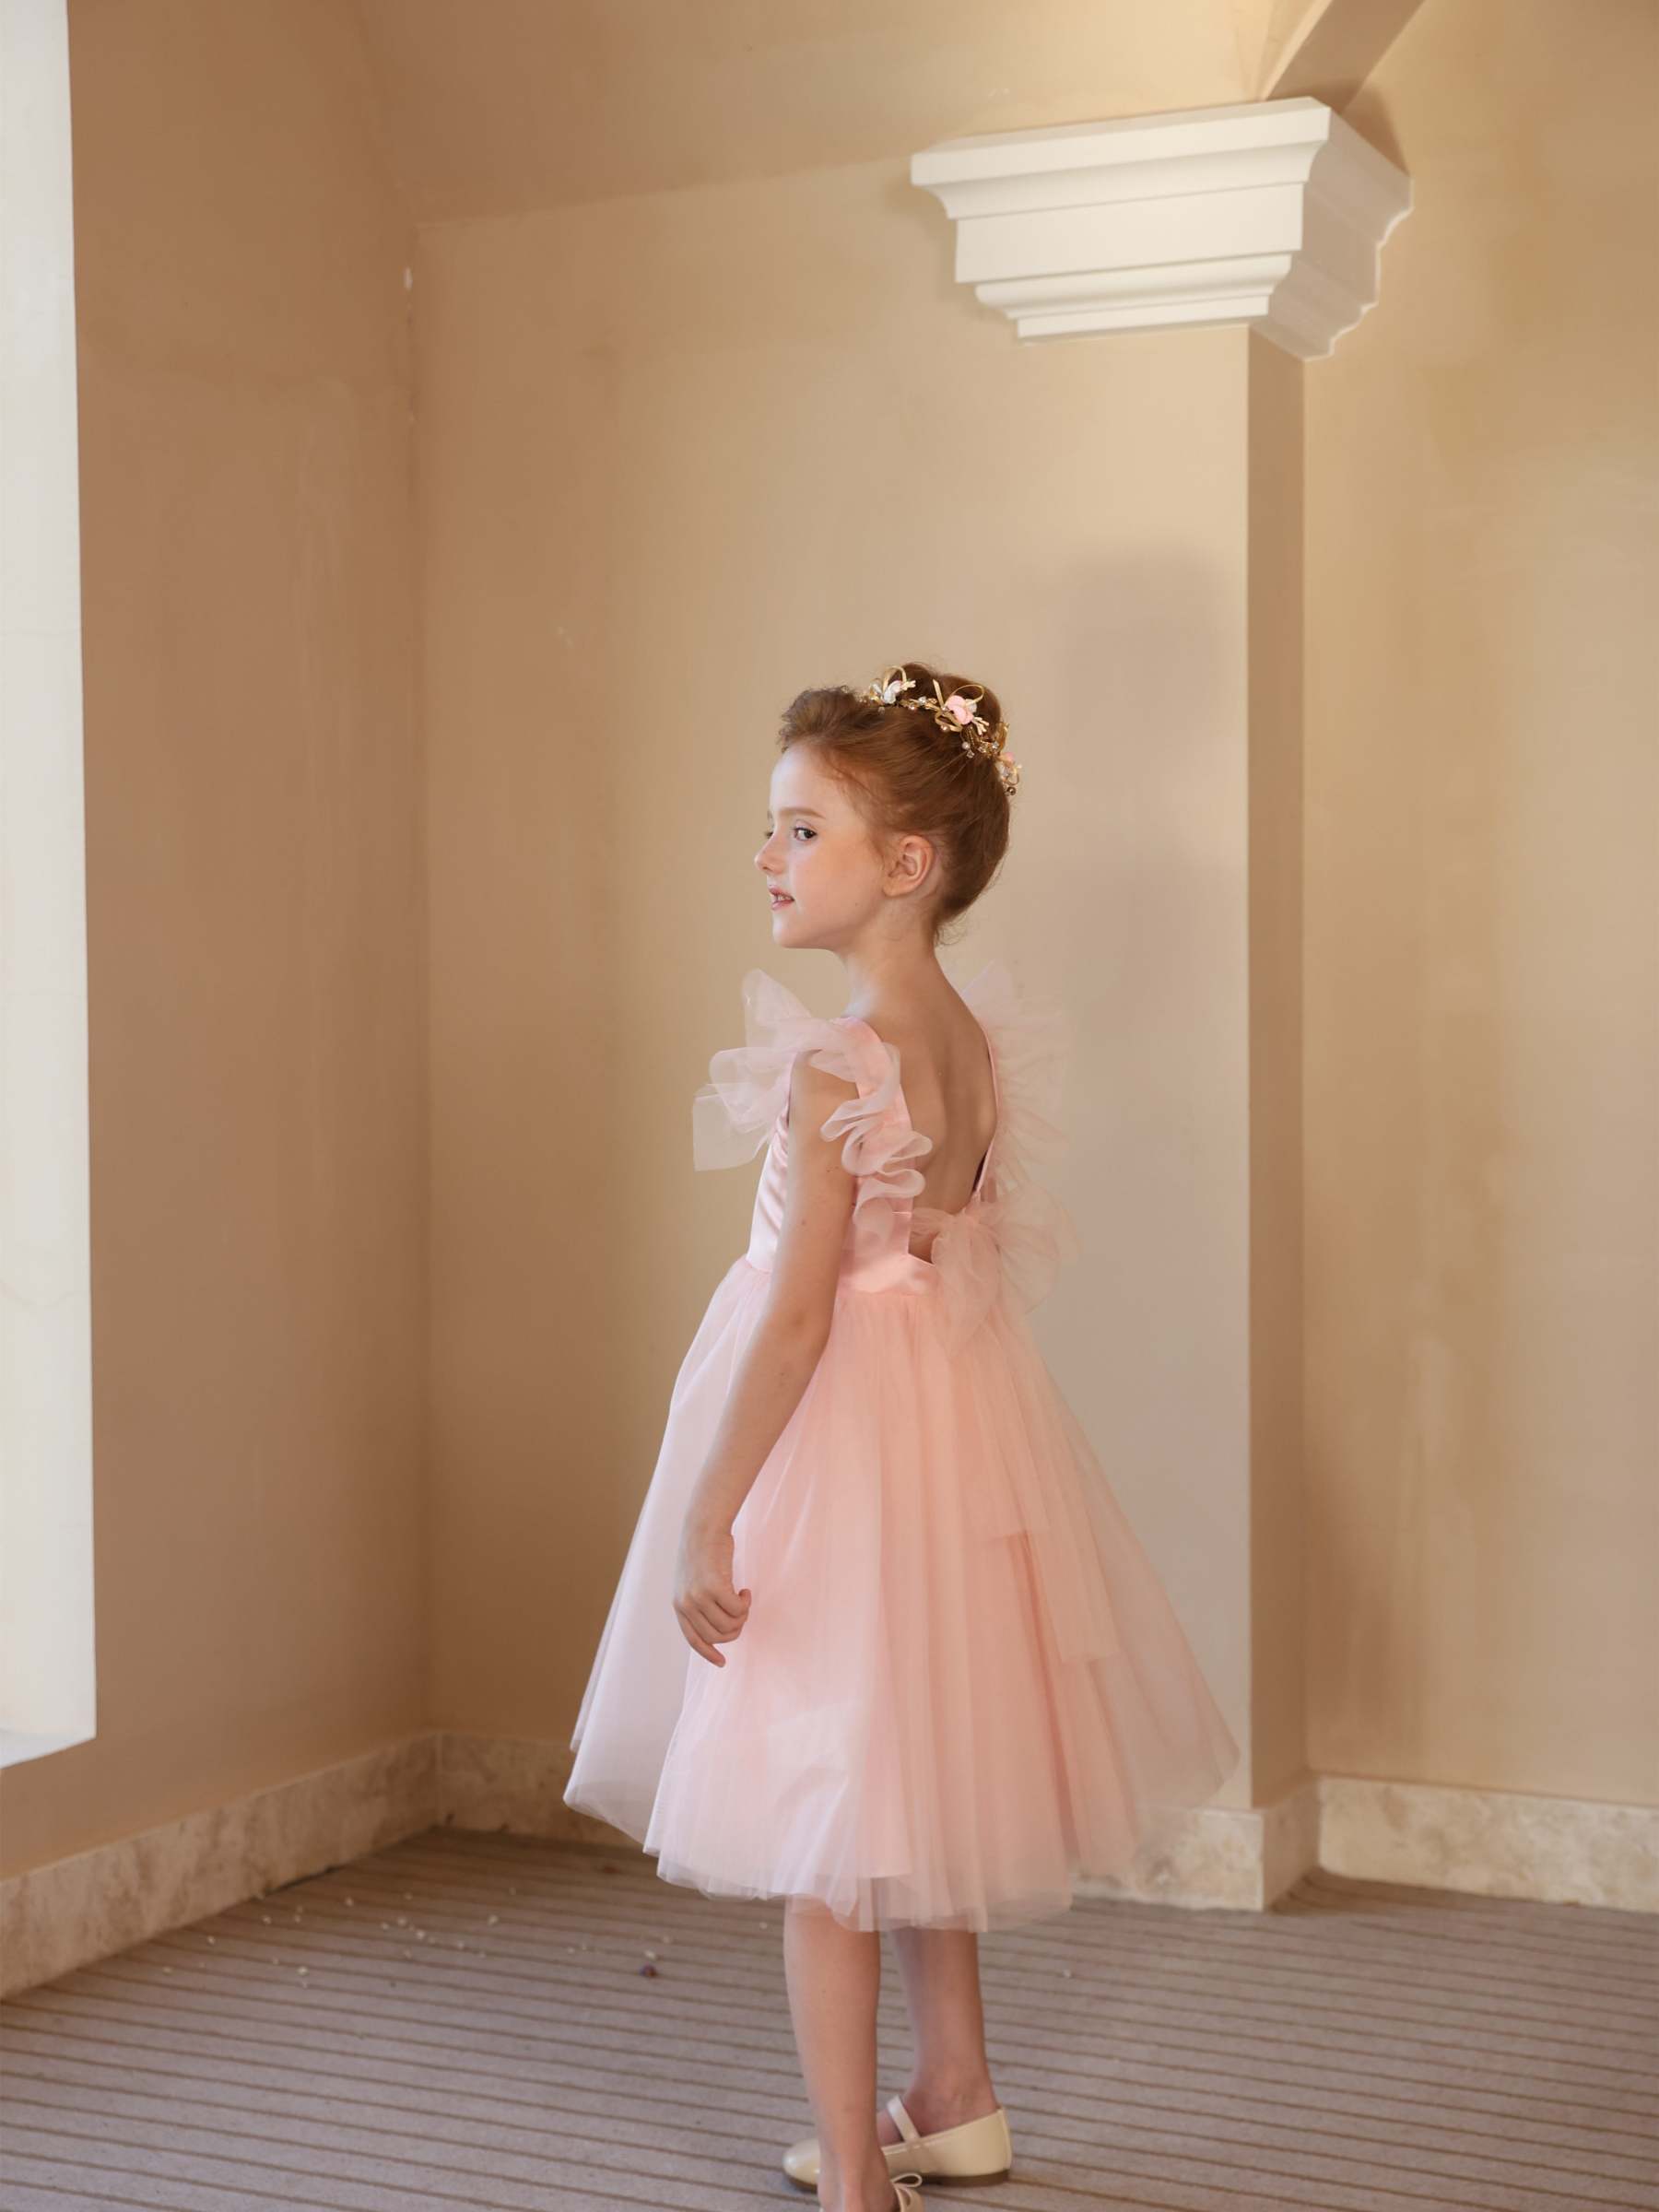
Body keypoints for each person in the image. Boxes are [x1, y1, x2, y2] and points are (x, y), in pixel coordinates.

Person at [564, 663, 1240, 2212]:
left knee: (825, 1820)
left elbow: (800, 1320)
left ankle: (862, 2186)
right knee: (920, 1780)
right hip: (947, 1425)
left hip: (839, 1448)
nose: (768, 857)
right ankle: (958, 2095)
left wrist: (707, 1514)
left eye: (801, 829)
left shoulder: (831, 1069)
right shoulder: (973, 1041)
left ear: (906, 866)